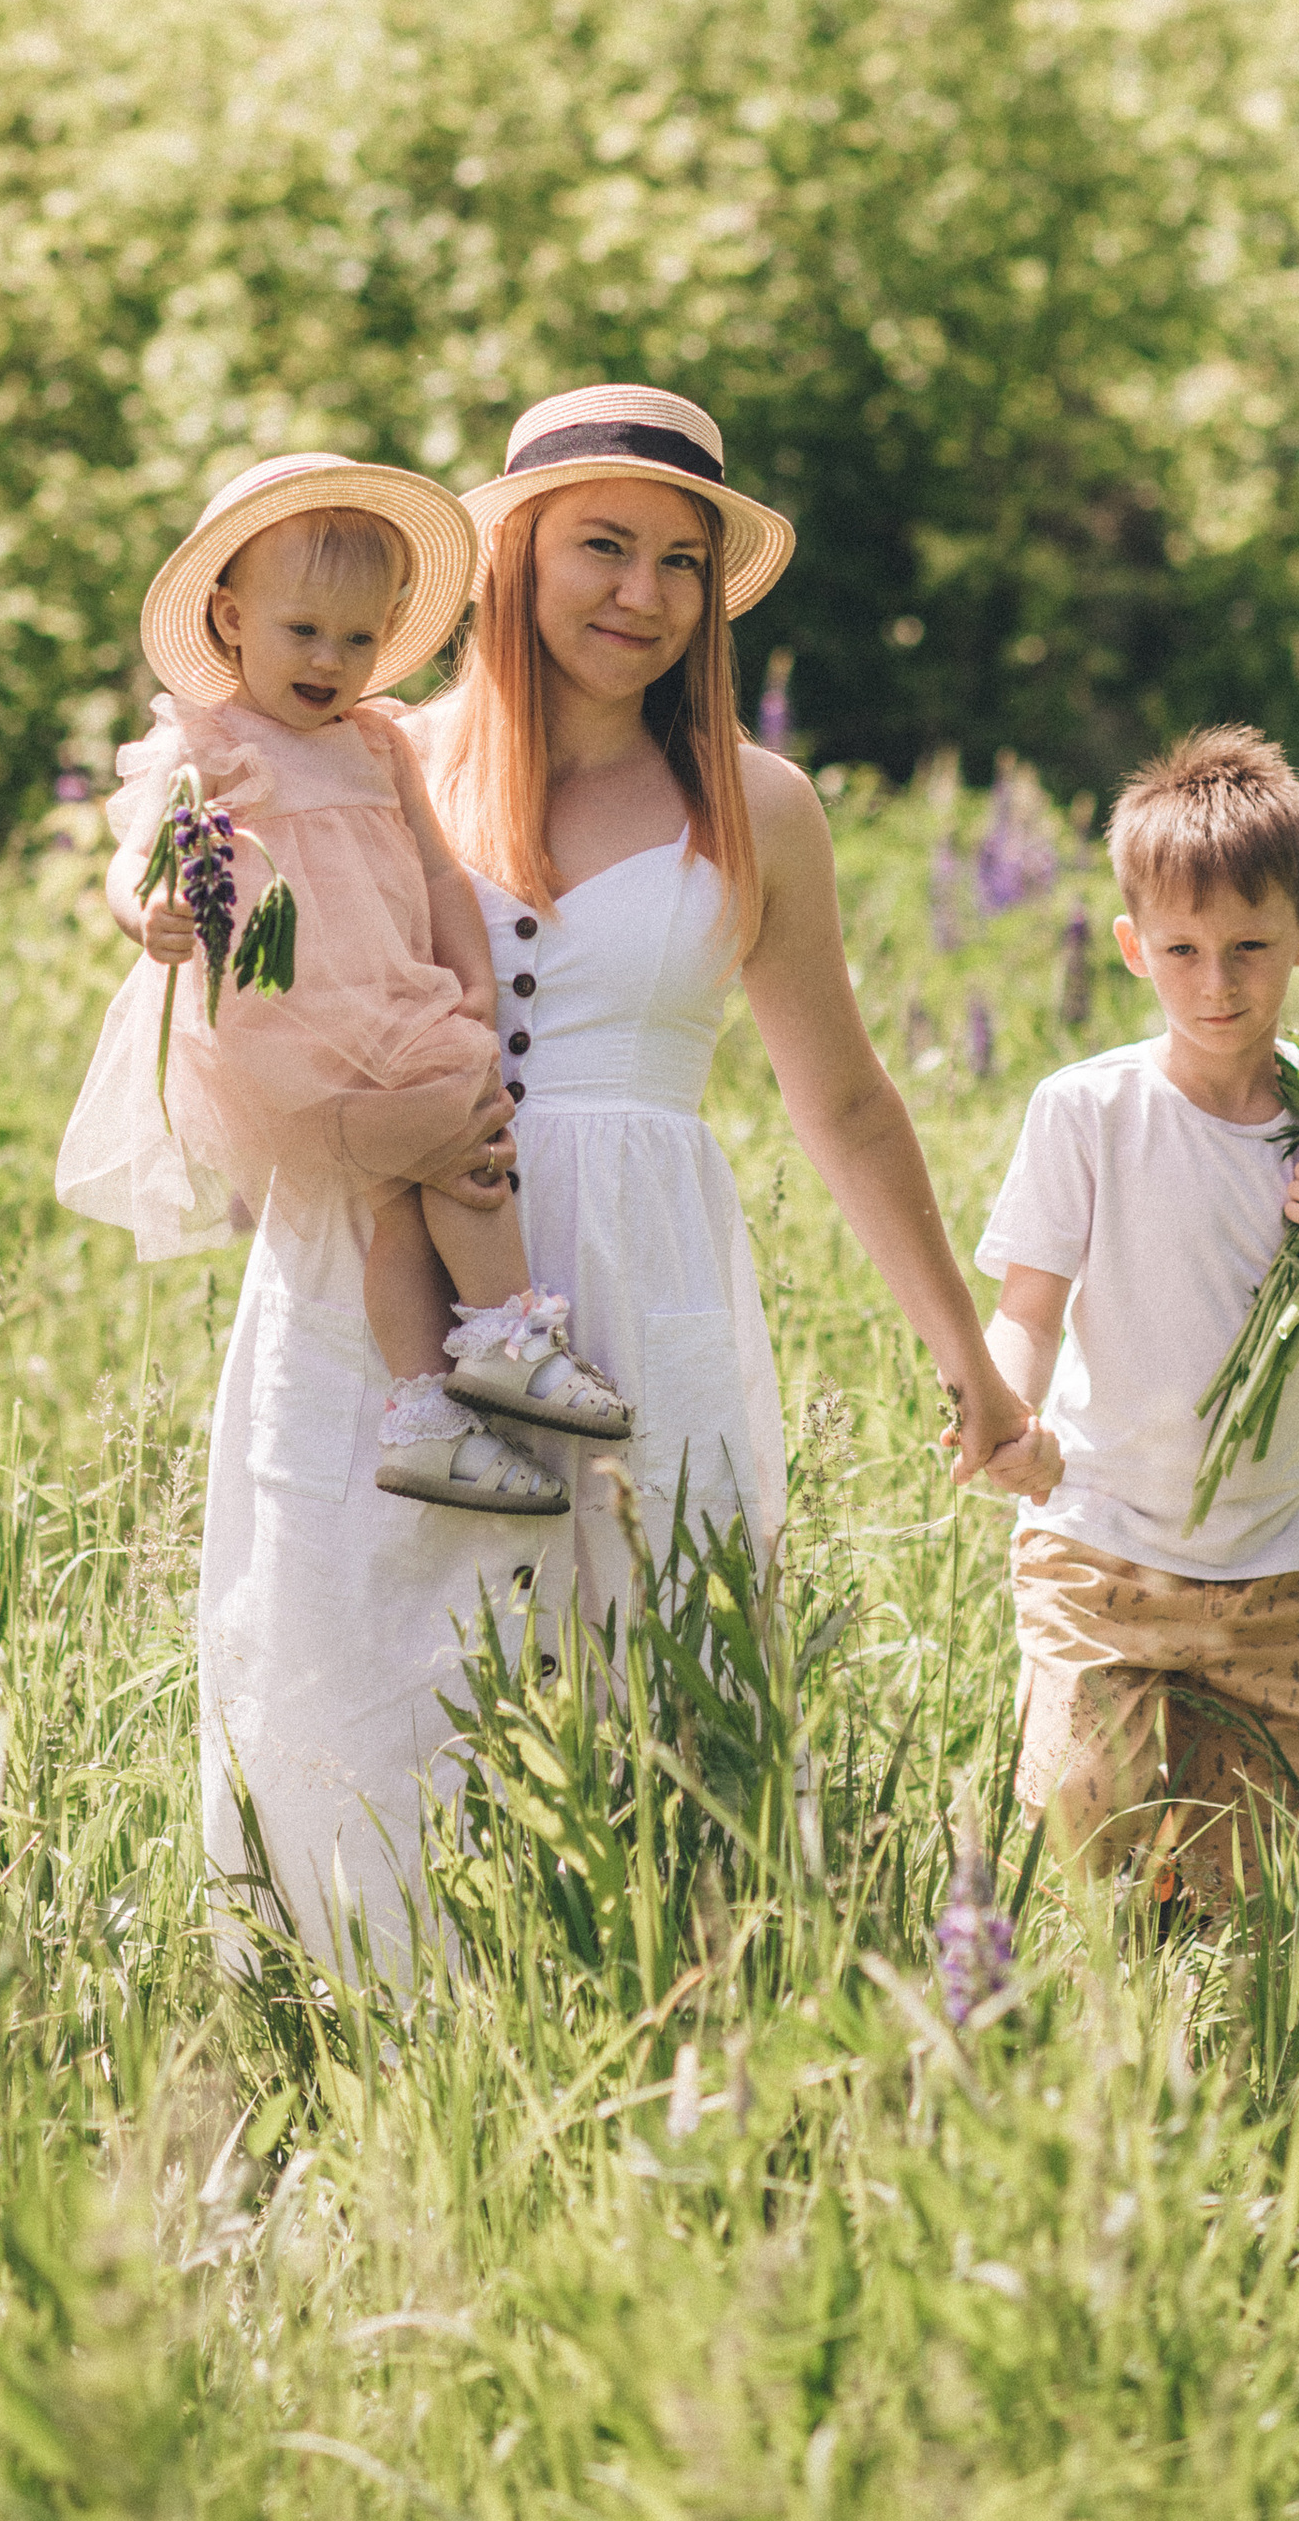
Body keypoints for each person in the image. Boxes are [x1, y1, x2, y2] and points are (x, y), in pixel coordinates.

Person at [406, 382, 1055, 1640]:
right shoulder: (392, 763)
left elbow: (848, 1102)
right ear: (515, 551)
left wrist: (969, 1363)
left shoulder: (756, 805)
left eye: (681, 563)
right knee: (402, 1687)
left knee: (658, 1679)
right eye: (603, 545)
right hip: (398, 1279)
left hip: (641, 1270)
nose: (642, 595)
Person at [58, 454, 632, 1523]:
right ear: (231, 619)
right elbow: (131, 861)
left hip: (394, 1004)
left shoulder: (376, 741)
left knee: (397, 1205)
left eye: (358, 640)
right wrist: (150, 919)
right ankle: (509, 1335)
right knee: (464, 1147)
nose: (331, 661)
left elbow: (431, 870)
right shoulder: (209, 742)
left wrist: (470, 982)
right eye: (303, 632)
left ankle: (424, 1415)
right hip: (289, 1031)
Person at [977, 723, 1299, 1922]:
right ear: (1131, 949)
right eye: (1183, 950)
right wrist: (1003, 1410)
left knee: (1255, 1895)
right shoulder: (1086, 1112)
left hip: (1272, 1566)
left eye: (1251, 948)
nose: (1218, 983)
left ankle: (1218, 2077)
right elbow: (1028, 1309)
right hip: (1100, 1541)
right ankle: (1086, 2038)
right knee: (1084, 1812)